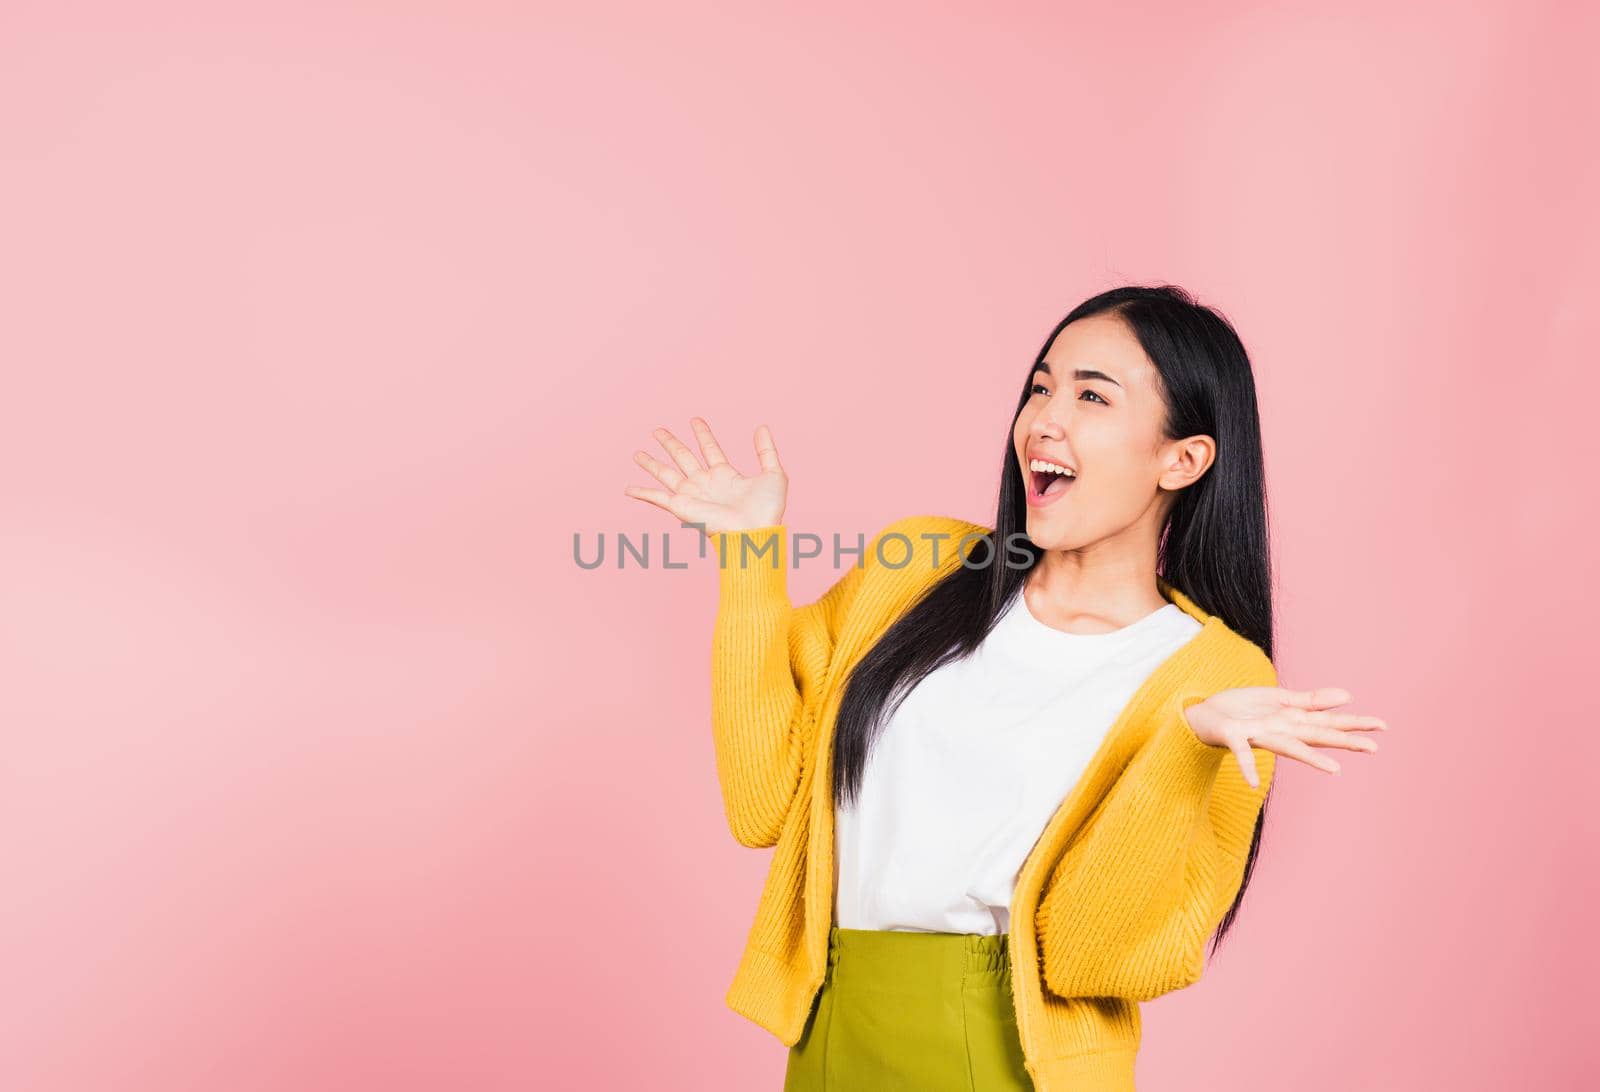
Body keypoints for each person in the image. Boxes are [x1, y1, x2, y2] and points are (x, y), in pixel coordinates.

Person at [623, 284, 1388, 1091]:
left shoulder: (1217, 680)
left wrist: (1180, 750)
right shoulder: (918, 568)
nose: (1044, 418)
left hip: (1011, 1051)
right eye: (1041, 386)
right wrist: (749, 557)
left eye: (1092, 395)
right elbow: (761, 802)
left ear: (1183, 458)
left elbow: (1092, 955)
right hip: (830, 1025)